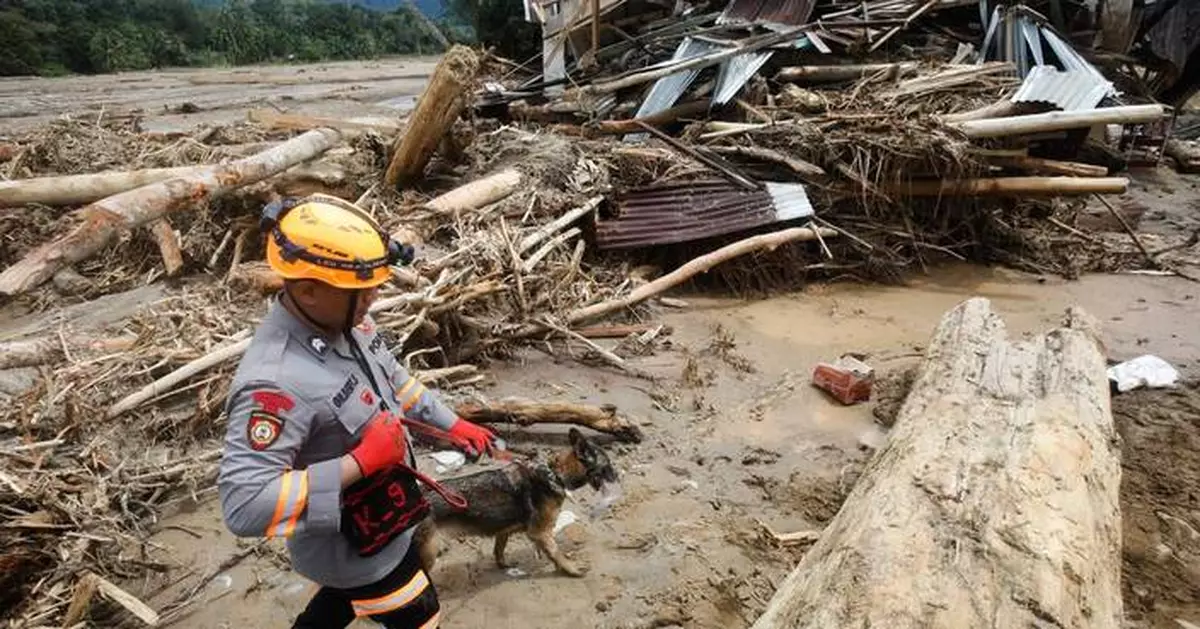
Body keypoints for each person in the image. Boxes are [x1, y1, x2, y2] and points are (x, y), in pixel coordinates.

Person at [217, 193, 498, 629]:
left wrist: (451, 423)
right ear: (308, 289)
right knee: (423, 617)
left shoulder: (347, 322)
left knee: (336, 604)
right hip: (360, 549)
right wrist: (360, 462)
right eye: (361, 288)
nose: (374, 295)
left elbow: (395, 382)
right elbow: (244, 504)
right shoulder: (276, 382)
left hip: (386, 520)